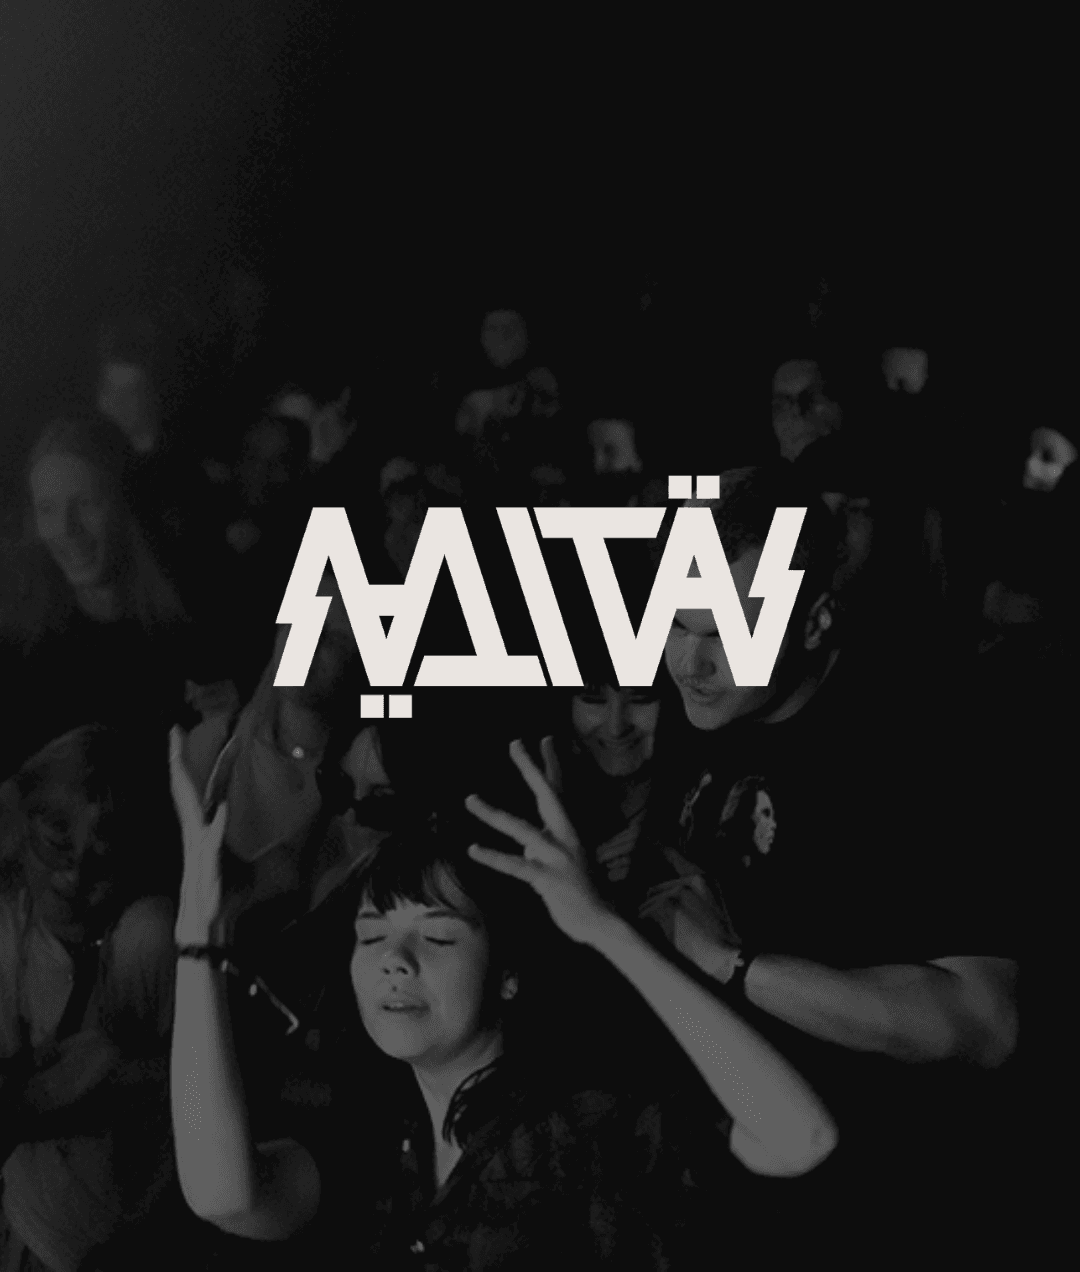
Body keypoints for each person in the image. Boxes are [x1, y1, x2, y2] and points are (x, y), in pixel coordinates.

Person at [168, 730, 837, 1268]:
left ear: (507, 975)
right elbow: (227, 1196)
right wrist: (198, 940)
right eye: (371, 936)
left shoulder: (582, 1123)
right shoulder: (382, 1137)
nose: (395, 961)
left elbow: (801, 1137)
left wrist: (604, 929)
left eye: (438, 936)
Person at [648, 463, 1020, 1241]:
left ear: (815, 622)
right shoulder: (706, 704)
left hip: (866, 1206)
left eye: (726, 633)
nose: (690, 661)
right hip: (711, 1185)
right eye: (676, 625)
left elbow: (984, 1023)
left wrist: (735, 965)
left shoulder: (923, 744)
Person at [0, 726, 181, 1272]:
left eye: (104, 858)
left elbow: (202, 1087)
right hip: (30, 1222)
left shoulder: (147, 938)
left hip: (133, 1237)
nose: (74, 875)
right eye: (55, 844)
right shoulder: (12, 928)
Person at [0, 417, 189, 779]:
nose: (66, 529)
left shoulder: (187, 627)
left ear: (125, 501)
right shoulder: (20, 646)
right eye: (47, 509)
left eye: (86, 503)